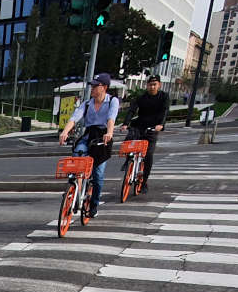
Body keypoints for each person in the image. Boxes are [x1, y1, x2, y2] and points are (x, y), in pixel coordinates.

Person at [58, 73, 120, 217]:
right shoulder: (87, 103)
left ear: (104, 87)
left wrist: (109, 133)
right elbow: (74, 117)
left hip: (102, 137)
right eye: (92, 85)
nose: (92, 88)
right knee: (78, 158)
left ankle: (94, 204)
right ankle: (76, 193)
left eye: (95, 86)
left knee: (98, 175)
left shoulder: (112, 101)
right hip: (88, 136)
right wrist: (65, 132)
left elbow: (111, 118)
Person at [124, 74, 170, 192]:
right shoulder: (141, 97)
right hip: (140, 126)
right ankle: (128, 162)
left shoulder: (163, 97)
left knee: (149, 155)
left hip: (153, 128)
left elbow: (165, 111)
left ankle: (144, 182)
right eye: (150, 85)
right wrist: (125, 123)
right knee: (129, 144)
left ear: (159, 85)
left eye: (154, 84)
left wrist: (161, 125)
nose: (152, 87)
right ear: (147, 85)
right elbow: (132, 110)